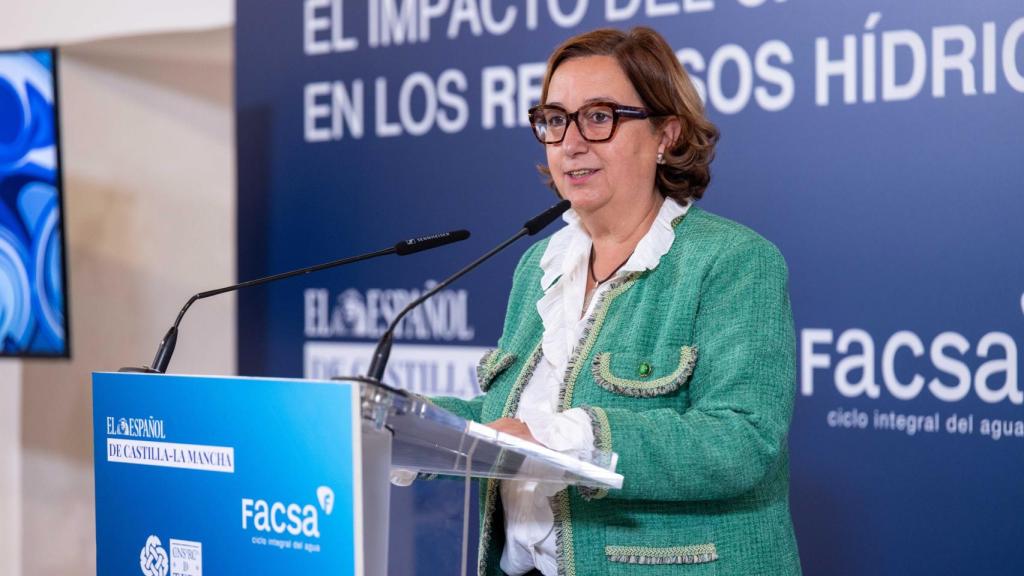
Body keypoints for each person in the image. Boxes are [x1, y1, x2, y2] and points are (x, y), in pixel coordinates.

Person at [430, 26, 800, 576]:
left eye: (599, 117)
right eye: (555, 120)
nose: (571, 143)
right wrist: (406, 422)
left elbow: (742, 440)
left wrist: (570, 435)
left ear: (666, 135)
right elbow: (509, 424)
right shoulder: (539, 266)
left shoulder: (734, 261)